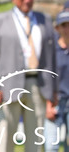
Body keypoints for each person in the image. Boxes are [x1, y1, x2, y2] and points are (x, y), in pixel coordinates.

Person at [0, 0, 57, 152]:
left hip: (37, 86)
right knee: (6, 139)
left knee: (35, 140)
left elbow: (51, 58)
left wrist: (52, 89)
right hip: (8, 86)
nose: (28, 0)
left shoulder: (44, 20)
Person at [45, 10, 69, 152]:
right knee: (51, 146)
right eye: (63, 25)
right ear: (57, 28)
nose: (67, 29)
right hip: (54, 102)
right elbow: (46, 78)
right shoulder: (51, 50)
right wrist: (48, 104)